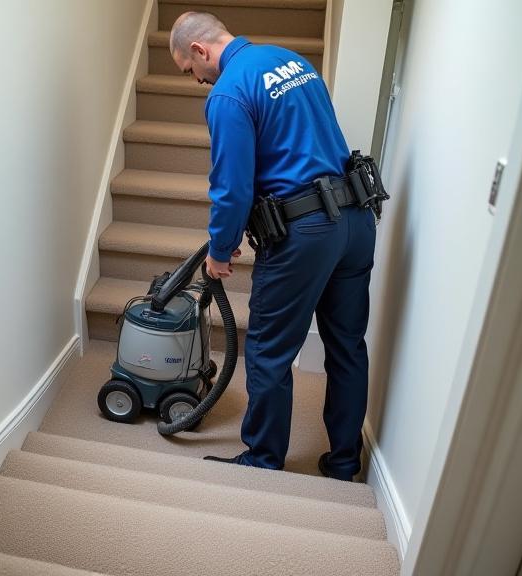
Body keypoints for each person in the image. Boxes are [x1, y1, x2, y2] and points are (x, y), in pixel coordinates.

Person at [169, 12, 377, 481]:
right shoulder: (292, 60)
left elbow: (231, 187)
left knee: (268, 348)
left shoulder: (228, 92)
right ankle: (344, 464)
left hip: (304, 233)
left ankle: (263, 460)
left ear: (200, 51)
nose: (197, 80)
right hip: (356, 219)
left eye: (189, 70)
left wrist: (220, 251)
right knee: (346, 346)